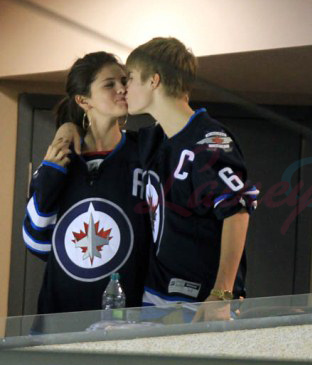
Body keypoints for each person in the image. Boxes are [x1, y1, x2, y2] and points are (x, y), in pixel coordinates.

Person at [125, 37, 258, 321]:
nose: (125, 87)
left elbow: (237, 211)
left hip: (200, 302)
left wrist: (221, 294)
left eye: (131, 77)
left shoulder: (209, 140)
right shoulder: (155, 138)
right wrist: (69, 127)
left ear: (154, 81)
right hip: (155, 296)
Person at [22, 52, 149, 314]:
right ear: (83, 100)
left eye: (124, 81)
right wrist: (51, 176)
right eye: (109, 84)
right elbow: (37, 242)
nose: (122, 88)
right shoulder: (60, 159)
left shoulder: (145, 151)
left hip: (130, 316)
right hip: (61, 318)